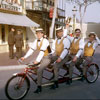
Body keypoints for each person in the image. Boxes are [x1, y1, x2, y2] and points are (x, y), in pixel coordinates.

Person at [21, 28, 51, 93]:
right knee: (31, 66)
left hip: (47, 57)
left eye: (40, 33)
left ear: (42, 34)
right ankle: (38, 76)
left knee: (40, 70)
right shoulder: (36, 41)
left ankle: (39, 87)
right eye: (37, 33)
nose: (38, 34)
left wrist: (37, 60)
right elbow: (31, 50)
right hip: (41, 57)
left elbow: (42, 51)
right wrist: (24, 57)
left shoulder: (45, 41)